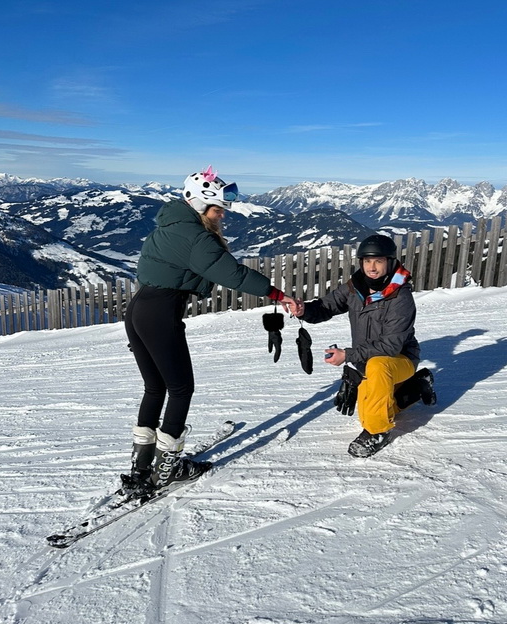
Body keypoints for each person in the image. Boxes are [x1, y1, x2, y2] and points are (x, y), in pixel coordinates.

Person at [123, 166, 296, 493]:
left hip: (140, 311)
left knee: (155, 388)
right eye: (218, 209)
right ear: (201, 205)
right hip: (160, 314)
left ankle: (141, 466)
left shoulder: (170, 223)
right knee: (180, 389)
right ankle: (167, 469)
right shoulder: (194, 237)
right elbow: (232, 274)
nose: (223, 216)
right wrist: (277, 294)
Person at [289, 233, 436, 457]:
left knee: (378, 373)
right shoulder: (354, 287)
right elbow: (327, 306)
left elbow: (390, 346)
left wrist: (348, 356)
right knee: (368, 412)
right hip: (369, 358)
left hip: (401, 358)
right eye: (367, 261)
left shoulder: (401, 297)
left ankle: (378, 432)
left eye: (378, 261)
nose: (372, 267)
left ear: (390, 262)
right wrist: (304, 310)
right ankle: (416, 387)